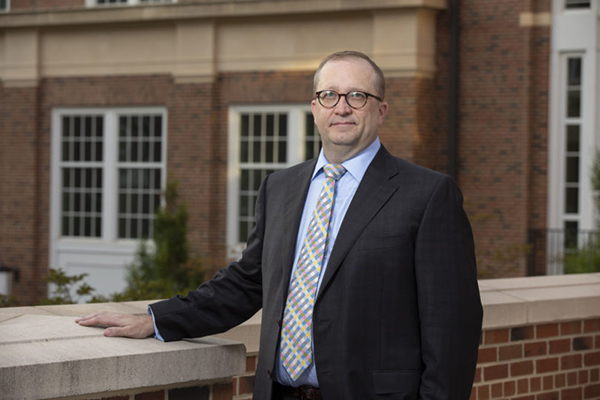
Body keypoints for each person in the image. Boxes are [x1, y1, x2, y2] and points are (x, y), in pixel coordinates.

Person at [76, 50, 483, 400]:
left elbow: (452, 331)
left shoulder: (428, 194)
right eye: (329, 95)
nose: (341, 107)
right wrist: (157, 319)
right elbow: (247, 282)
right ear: (315, 108)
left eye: (357, 95)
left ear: (381, 110)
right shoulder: (281, 187)